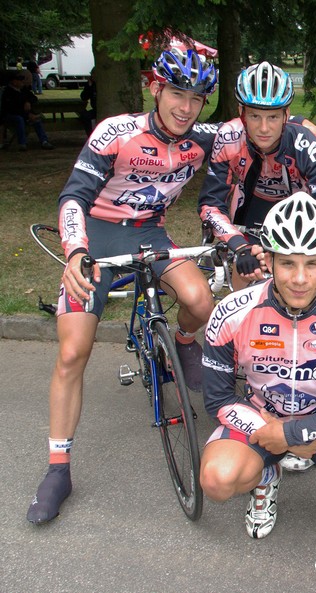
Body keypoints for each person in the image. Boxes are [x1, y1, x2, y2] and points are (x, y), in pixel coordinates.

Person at [25, 49, 252, 525]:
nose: (186, 108)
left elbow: (259, 130)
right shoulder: (117, 132)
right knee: (72, 352)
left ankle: (183, 345)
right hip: (97, 233)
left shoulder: (205, 139)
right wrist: (75, 252)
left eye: (197, 98)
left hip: (150, 231)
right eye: (177, 94)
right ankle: (58, 467)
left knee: (200, 301)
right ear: (156, 88)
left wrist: (308, 129)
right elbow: (73, 196)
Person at [199, 193, 316, 543]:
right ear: (267, 260)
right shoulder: (231, 311)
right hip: (261, 418)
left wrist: (297, 434)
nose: (299, 278)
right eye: (287, 264)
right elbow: (218, 398)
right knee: (217, 480)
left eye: (311, 264)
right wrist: (273, 432)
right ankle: (265, 477)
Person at [199, 61, 316, 293]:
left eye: (273, 117)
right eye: (255, 116)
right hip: (252, 208)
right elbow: (210, 205)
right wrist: (239, 246)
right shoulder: (228, 136)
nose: (264, 128)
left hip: (298, 210)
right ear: (242, 114)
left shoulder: (305, 143)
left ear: (286, 115)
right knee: (246, 274)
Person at [0, 72, 54, 150]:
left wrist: (28, 101)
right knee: (19, 119)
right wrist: (27, 115)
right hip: (10, 115)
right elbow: (11, 109)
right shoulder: (7, 92)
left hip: (24, 114)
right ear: (14, 82)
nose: (22, 82)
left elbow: (34, 98)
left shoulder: (23, 90)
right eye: (20, 80)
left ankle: (44, 141)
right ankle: (22, 143)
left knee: (37, 120)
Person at [79, 68, 97, 136]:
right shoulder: (90, 84)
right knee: (84, 116)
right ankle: (90, 136)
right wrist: (89, 86)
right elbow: (84, 97)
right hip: (95, 109)